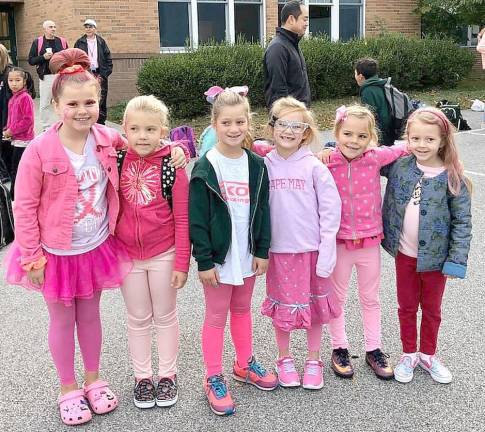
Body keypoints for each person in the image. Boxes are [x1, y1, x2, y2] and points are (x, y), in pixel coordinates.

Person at [3, 48, 132, 426]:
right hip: (53, 254)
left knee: (90, 317)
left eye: (90, 101)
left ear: (99, 101)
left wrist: (174, 149)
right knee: (62, 320)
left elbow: (143, 146)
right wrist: (31, 257)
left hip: (93, 248)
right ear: (56, 104)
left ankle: (93, 378)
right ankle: (68, 387)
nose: (82, 110)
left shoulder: (106, 138)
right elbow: (23, 206)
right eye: (72, 103)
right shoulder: (40, 151)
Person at [189, 87, 277, 416]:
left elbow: (264, 211)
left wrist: (263, 250)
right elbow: (197, 220)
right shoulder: (206, 167)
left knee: (242, 311)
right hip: (218, 259)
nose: (234, 128)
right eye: (226, 122)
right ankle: (213, 376)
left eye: (240, 121)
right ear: (214, 124)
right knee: (215, 317)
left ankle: (244, 364)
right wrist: (204, 260)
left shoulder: (256, 165)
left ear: (248, 122)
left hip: (247, 255)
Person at [381, 108, 472, 384]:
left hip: (436, 260)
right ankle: (409, 353)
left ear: (442, 141)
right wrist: (331, 149)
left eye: (429, 140)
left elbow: (462, 222)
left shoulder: (452, 177)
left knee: (432, 310)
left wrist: (456, 260)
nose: (421, 145)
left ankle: (428, 354)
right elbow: (366, 157)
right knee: (406, 306)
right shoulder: (400, 165)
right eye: (415, 138)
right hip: (404, 255)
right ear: (407, 138)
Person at [259, 96, 341, 389]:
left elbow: (331, 210)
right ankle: (284, 358)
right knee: (284, 308)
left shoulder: (314, 166)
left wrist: (327, 249)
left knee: (315, 308)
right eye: (283, 124)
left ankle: (313, 359)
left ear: (306, 132)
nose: (289, 131)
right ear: (272, 127)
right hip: (279, 252)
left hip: (311, 251)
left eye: (297, 126)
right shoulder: (263, 163)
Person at [116, 95, 190, 409]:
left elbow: (183, 217)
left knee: (165, 315)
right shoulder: (115, 158)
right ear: (124, 130)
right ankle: (142, 376)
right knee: (137, 318)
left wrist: (182, 262)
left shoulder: (172, 165)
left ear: (163, 131)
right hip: (126, 255)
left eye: (150, 129)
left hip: (165, 253)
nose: (142, 135)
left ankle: (167, 375)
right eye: (135, 129)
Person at [324, 105, 408, 380]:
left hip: (370, 242)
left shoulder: (375, 157)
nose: (354, 141)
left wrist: (432, 142)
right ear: (337, 133)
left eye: (362, 136)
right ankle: (339, 347)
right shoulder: (327, 160)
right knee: (336, 298)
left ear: (370, 137)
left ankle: (373, 348)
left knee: (370, 298)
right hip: (340, 242)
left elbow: (405, 147)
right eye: (347, 134)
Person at [263, 0, 310, 109]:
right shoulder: (278, 48)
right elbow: (278, 90)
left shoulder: (292, 45)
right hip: (288, 119)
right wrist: (286, 118)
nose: (307, 23)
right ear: (291, 19)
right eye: (304, 19)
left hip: (298, 117)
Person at [28, 20, 68, 131]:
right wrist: (43, 57)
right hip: (46, 77)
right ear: (45, 29)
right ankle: (46, 127)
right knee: (45, 103)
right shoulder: (38, 42)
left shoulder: (62, 41)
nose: (53, 29)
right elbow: (31, 60)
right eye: (50, 27)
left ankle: (64, 124)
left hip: (61, 75)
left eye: (54, 27)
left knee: (63, 101)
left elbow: (68, 57)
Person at [2, 67, 36, 200]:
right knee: (12, 167)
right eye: (11, 80)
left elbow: (27, 120)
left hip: (24, 141)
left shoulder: (25, 97)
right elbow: (13, 119)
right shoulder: (13, 98)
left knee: (17, 170)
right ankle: (16, 194)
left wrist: (11, 130)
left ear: (24, 81)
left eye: (17, 80)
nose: (14, 83)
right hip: (14, 139)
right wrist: (7, 129)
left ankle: (16, 196)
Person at [74, 19, 113, 125]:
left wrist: (103, 76)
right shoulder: (79, 42)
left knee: (101, 98)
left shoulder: (101, 42)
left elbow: (108, 60)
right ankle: (88, 121)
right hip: (86, 74)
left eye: (90, 27)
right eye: (86, 27)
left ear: (95, 28)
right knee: (86, 98)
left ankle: (101, 123)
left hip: (100, 74)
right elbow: (75, 60)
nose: (88, 29)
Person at [354, 58, 394, 146]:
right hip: (391, 128)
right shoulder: (380, 83)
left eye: (355, 73)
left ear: (360, 76)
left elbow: (369, 115)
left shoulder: (368, 90)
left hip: (381, 134)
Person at [0, 43, 13, 181]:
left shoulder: (10, 73)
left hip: (7, 116)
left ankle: (8, 172)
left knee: (7, 146)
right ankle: (4, 173)